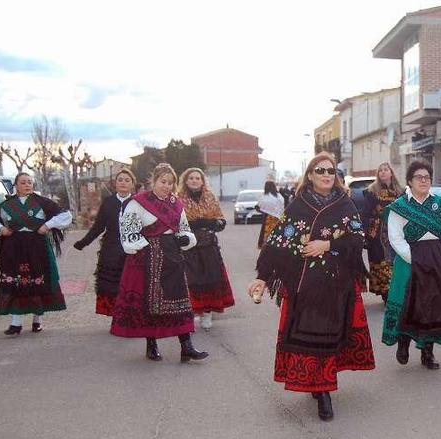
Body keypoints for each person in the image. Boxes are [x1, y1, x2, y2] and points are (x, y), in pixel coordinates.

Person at [248, 152, 374, 421]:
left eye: (331, 171)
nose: (327, 175)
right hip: (303, 284)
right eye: (320, 170)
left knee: (330, 336)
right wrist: (262, 276)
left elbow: (357, 239)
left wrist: (327, 245)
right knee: (309, 336)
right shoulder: (297, 207)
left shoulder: (345, 204)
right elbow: (277, 243)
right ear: (310, 175)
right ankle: (320, 387)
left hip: (336, 282)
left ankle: (324, 389)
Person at [111, 163, 208, 362]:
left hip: (172, 256)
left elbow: (183, 227)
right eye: (163, 182)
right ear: (153, 181)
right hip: (147, 258)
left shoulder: (176, 203)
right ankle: (151, 344)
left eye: (171, 183)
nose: (167, 186)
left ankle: (186, 346)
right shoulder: (138, 202)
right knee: (150, 304)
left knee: (179, 301)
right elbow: (128, 233)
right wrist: (146, 247)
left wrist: (185, 238)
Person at [382, 159, 441, 370]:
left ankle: (428, 352)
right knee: (406, 303)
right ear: (409, 180)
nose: (424, 180)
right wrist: (415, 258)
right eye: (419, 177)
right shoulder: (400, 207)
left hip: (437, 262)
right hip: (409, 262)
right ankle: (403, 343)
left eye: (427, 177)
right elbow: (395, 237)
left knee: (432, 306)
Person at [0, 172, 71, 335]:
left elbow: (66, 215)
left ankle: (37, 320)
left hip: (37, 247)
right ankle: (16, 323)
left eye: (30, 182)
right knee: (16, 281)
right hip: (14, 248)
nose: (27, 185)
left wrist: (47, 225)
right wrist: (1, 229)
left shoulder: (41, 202)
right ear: (16, 186)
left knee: (37, 281)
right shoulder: (6, 205)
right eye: (23, 182)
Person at [177, 167, 235, 329]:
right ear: (185, 181)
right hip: (188, 247)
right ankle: (192, 313)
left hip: (209, 246)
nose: (194, 180)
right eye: (191, 178)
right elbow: (177, 223)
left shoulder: (210, 197)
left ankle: (207, 313)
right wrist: (202, 222)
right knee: (191, 281)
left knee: (210, 279)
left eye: (197, 178)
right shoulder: (178, 199)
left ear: (202, 181)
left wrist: (216, 223)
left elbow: (220, 220)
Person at [73, 168, 136, 316]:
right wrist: (83, 243)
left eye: (127, 180)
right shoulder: (108, 202)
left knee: (130, 283)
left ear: (132, 184)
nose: (123, 183)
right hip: (111, 249)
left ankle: (130, 315)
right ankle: (115, 314)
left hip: (133, 248)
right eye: (120, 180)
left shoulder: (138, 202)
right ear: (115, 183)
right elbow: (98, 227)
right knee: (112, 284)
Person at [362, 162, 404, 302]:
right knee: (381, 261)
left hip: (397, 230)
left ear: (391, 172)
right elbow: (365, 214)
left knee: (397, 261)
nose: (383, 172)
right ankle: (386, 295)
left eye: (386, 170)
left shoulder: (401, 191)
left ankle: (398, 292)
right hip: (378, 232)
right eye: (380, 170)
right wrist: (365, 234)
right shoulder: (371, 192)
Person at [256, 180, 285, 248]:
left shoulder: (264, 197)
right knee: (277, 234)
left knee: (267, 234)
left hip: (268, 219)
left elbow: (259, 207)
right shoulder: (279, 196)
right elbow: (282, 206)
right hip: (278, 218)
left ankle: (266, 248)